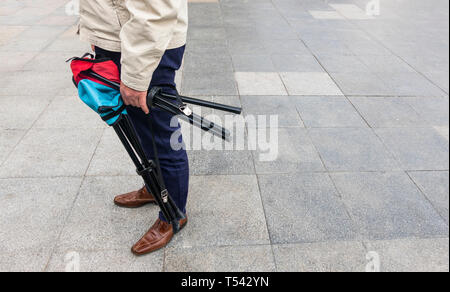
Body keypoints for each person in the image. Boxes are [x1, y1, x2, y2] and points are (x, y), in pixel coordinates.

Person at [78, 0, 189, 255]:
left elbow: (156, 10)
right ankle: (154, 189)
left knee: (160, 133)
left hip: (145, 46)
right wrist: (97, 34)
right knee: (138, 126)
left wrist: (136, 77)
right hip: (119, 38)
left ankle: (174, 212)